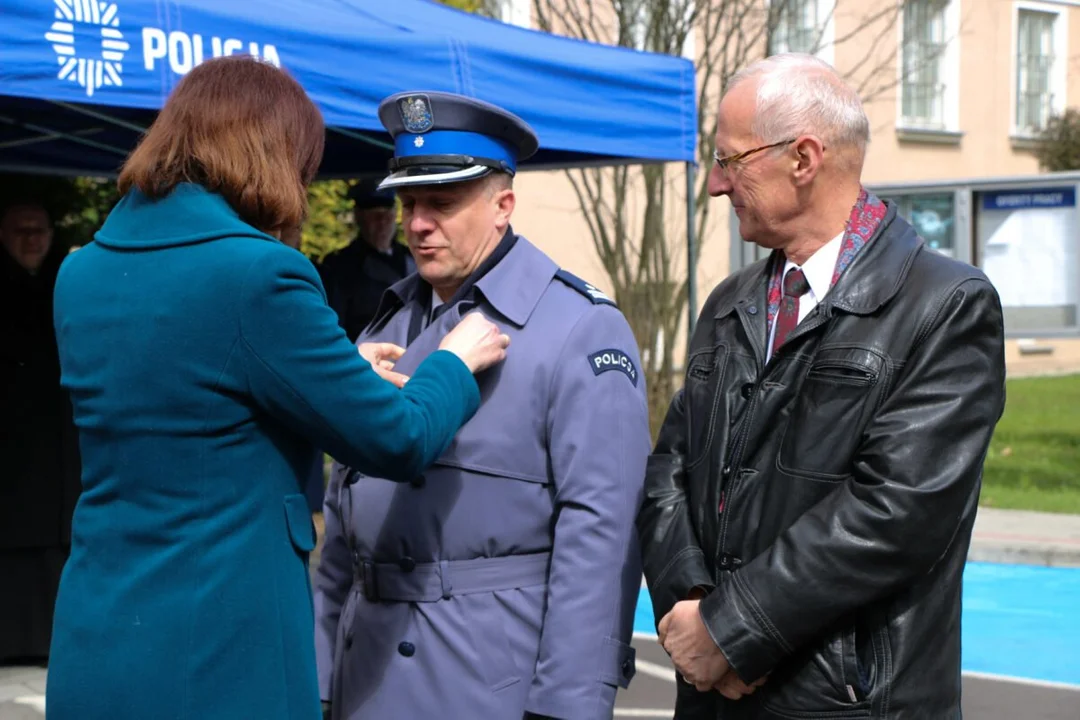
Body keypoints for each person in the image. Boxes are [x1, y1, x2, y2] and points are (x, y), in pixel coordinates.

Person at [45, 57, 510, 720]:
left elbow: (189, 395)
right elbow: (398, 438)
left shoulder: (81, 273)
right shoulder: (261, 276)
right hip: (220, 657)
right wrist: (454, 363)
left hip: (98, 638)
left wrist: (335, 372)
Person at [637, 53, 1006, 719]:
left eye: (730, 160)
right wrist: (689, 611)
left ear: (803, 159)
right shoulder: (729, 302)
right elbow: (669, 468)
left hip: (849, 704)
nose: (716, 185)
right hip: (713, 696)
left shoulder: (943, 303)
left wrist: (729, 631)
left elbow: (894, 513)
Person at [313, 91, 651, 720]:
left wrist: (568, 706)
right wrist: (319, 679)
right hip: (364, 681)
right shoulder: (381, 333)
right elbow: (341, 535)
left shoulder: (576, 329)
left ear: (503, 206)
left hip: (487, 689)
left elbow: (600, 538)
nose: (416, 223)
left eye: (441, 203)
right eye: (409, 202)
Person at [0, 201, 81, 666]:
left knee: (54, 551)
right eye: (21, 230)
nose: (32, 239)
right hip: (14, 449)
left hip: (58, 448)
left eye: (40, 230)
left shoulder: (62, 285)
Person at [318, 181, 416, 343]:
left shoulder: (413, 256)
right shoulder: (339, 266)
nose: (383, 223)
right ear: (359, 217)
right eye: (375, 217)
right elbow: (336, 326)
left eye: (388, 216)